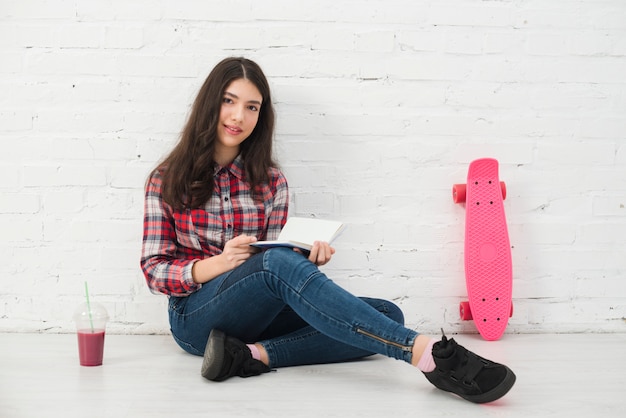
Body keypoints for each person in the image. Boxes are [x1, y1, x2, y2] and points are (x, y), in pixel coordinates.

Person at [140, 57, 516, 404]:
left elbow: (272, 264)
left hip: (258, 315)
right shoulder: (166, 179)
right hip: (195, 319)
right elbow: (155, 270)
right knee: (280, 267)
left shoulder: (271, 182)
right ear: (210, 103)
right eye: (229, 101)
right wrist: (217, 265)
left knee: (386, 312)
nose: (239, 115)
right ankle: (424, 353)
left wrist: (302, 256)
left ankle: (250, 354)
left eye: (252, 107)